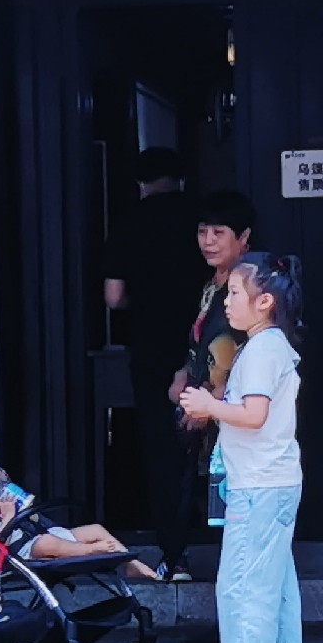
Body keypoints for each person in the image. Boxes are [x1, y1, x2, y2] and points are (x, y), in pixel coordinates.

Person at [177, 249, 306, 643]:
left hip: (257, 485)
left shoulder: (257, 352)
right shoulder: (275, 347)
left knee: (244, 583)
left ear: (264, 301)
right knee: (275, 580)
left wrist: (208, 406)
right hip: (276, 481)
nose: (226, 303)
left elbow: (253, 415)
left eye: (234, 293)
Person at [150, 189, 257, 579]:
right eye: (202, 232)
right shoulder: (212, 284)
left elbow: (235, 355)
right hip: (201, 404)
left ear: (243, 237)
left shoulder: (253, 286)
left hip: (229, 411)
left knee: (230, 503)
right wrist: (182, 375)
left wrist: (208, 402)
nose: (208, 241)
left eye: (219, 232)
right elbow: (199, 345)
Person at [102, 148, 192, 561]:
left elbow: (113, 296)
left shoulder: (128, 222)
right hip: (206, 342)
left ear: (140, 183)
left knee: (159, 444)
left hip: (151, 344)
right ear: (180, 179)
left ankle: (173, 548)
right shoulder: (203, 219)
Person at [0, 459, 159, 575]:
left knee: (95, 529)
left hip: (47, 535)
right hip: (26, 552)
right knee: (47, 543)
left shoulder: (0, 505)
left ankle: (132, 564)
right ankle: (89, 551)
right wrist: (9, 516)